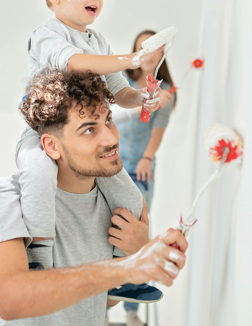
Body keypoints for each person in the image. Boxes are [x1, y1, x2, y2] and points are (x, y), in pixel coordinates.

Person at [16, 0, 166, 305]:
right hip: (43, 133)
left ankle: (123, 274)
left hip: (86, 136)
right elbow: (73, 64)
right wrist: (130, 58)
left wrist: (142, 99)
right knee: (37, 174)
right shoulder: (46, 34)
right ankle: (38, 263)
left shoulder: (98, 42)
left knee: (130, 195)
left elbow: (120, 91)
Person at [0, 71, 189, 325]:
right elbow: (9, 300)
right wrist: (128, 266)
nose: (111, 138)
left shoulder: (115, 205)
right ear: (52, 146)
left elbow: (104, 300)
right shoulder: (9, 198)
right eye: (89, 129)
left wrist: (133, 254)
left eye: (108, 120)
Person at [107, 30, 177, 325]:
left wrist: (147, 158)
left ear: (162, 54)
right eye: (143, 48)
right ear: (136, 52)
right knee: (108, 230)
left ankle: (132, 310)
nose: (150, 54)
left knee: (137, 233)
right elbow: (109, 118)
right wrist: (141, 102)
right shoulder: (121, 86)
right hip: (112, 164)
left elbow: (158, 129)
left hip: (140, 166)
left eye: (156, 49)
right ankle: (103, 303)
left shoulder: (167, 91)